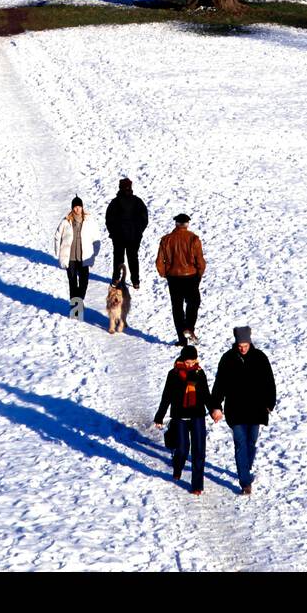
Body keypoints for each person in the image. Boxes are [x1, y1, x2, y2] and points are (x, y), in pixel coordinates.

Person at [211, 327, 276, 496]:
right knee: (240, 443)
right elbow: (219, 384)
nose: (243, 348)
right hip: (236, 410)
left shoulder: (260, 358)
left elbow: (269, 381)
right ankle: (245, 482)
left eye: (245, 345)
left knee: (251, 442)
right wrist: (216, 405)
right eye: (240, 345)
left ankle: (245, 468)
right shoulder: (227, 359)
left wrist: (270, 402)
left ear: (250, 342)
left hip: (256, 409)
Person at [154, 346, 213, 495]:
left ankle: (197, 485)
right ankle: (177, 466)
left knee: (199, 450)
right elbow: (166, 396)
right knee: (182, 449)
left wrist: (213, 410)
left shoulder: (200, 373)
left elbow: (206, 394)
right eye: (187, 362)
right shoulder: (173, 374)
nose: (190, 364)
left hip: (197, 415)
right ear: (182, 360)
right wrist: (160, 416)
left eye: (193, 361)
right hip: (179, 416)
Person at [156, 214, 206, 345]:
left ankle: (182, 339)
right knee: (193, 303)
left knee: (177, 307)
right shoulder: (194, 239)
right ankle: (189, 328)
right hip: (191, 276)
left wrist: (165, 274)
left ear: (176, 224)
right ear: (187, 224)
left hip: (173, 277)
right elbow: (200, 260)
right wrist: (199, 274)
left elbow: (159, 261)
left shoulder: (166, 240)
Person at [53, 197, 100, 315]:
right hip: (71, 257)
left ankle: (79, 301)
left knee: (84, 282)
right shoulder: (66, 221)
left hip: (84, 257)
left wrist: (95, 252)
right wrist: (57, 252)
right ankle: (76, 311)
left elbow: (96, 237)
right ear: (72, 208)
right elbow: (57, 236)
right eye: (75, 207)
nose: (77, 209)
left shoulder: (89, 221)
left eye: (79, 206)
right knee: (73, 283)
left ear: (82, 207)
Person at [106, 177, 149, 290]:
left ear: (119, 188)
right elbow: (144, 218)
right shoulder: (137, 201)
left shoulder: (115, 202)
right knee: (133, 258)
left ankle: (116, 279)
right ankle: (135, 282)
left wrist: (113, 233)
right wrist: (139, 231)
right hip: (134, 237)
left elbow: (109, 220)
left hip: (119, 237)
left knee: (118, 259)